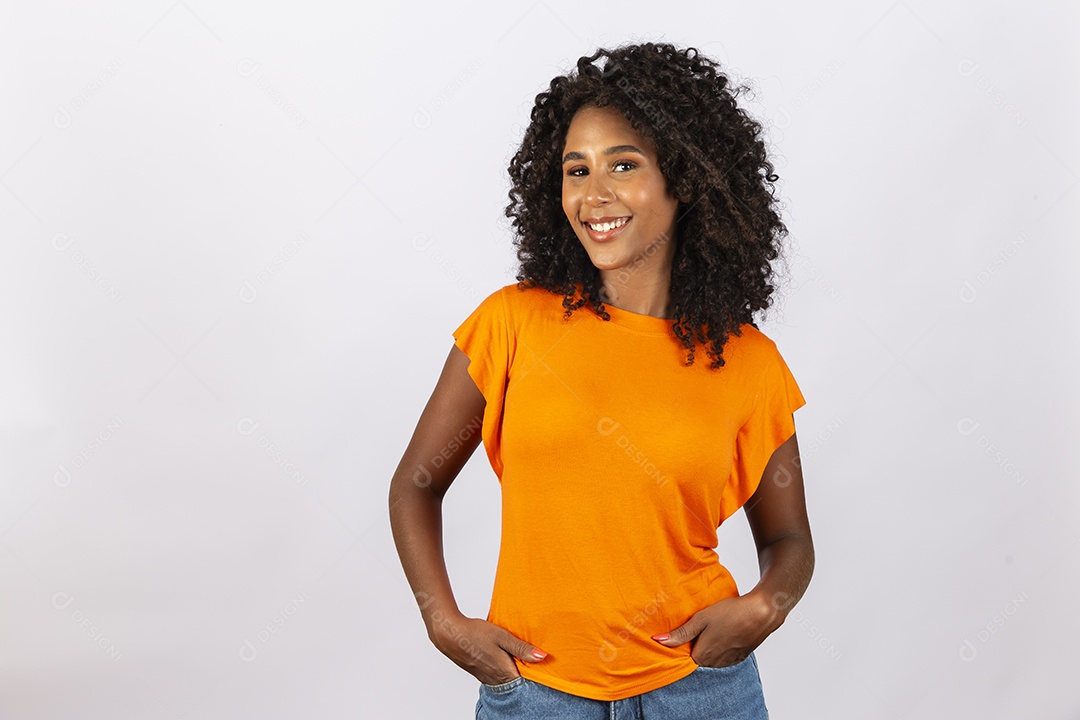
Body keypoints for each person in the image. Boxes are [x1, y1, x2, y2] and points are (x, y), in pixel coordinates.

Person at [389, 41, 813, 719]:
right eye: (576, 170)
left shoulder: (749, 361)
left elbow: (789, 541)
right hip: (537, 694)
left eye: (624, 164)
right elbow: (416, 484)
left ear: (684, 178)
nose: (594, 194)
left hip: (701, 692)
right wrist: (443, 622)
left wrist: (766, 606)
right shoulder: (511, 325)